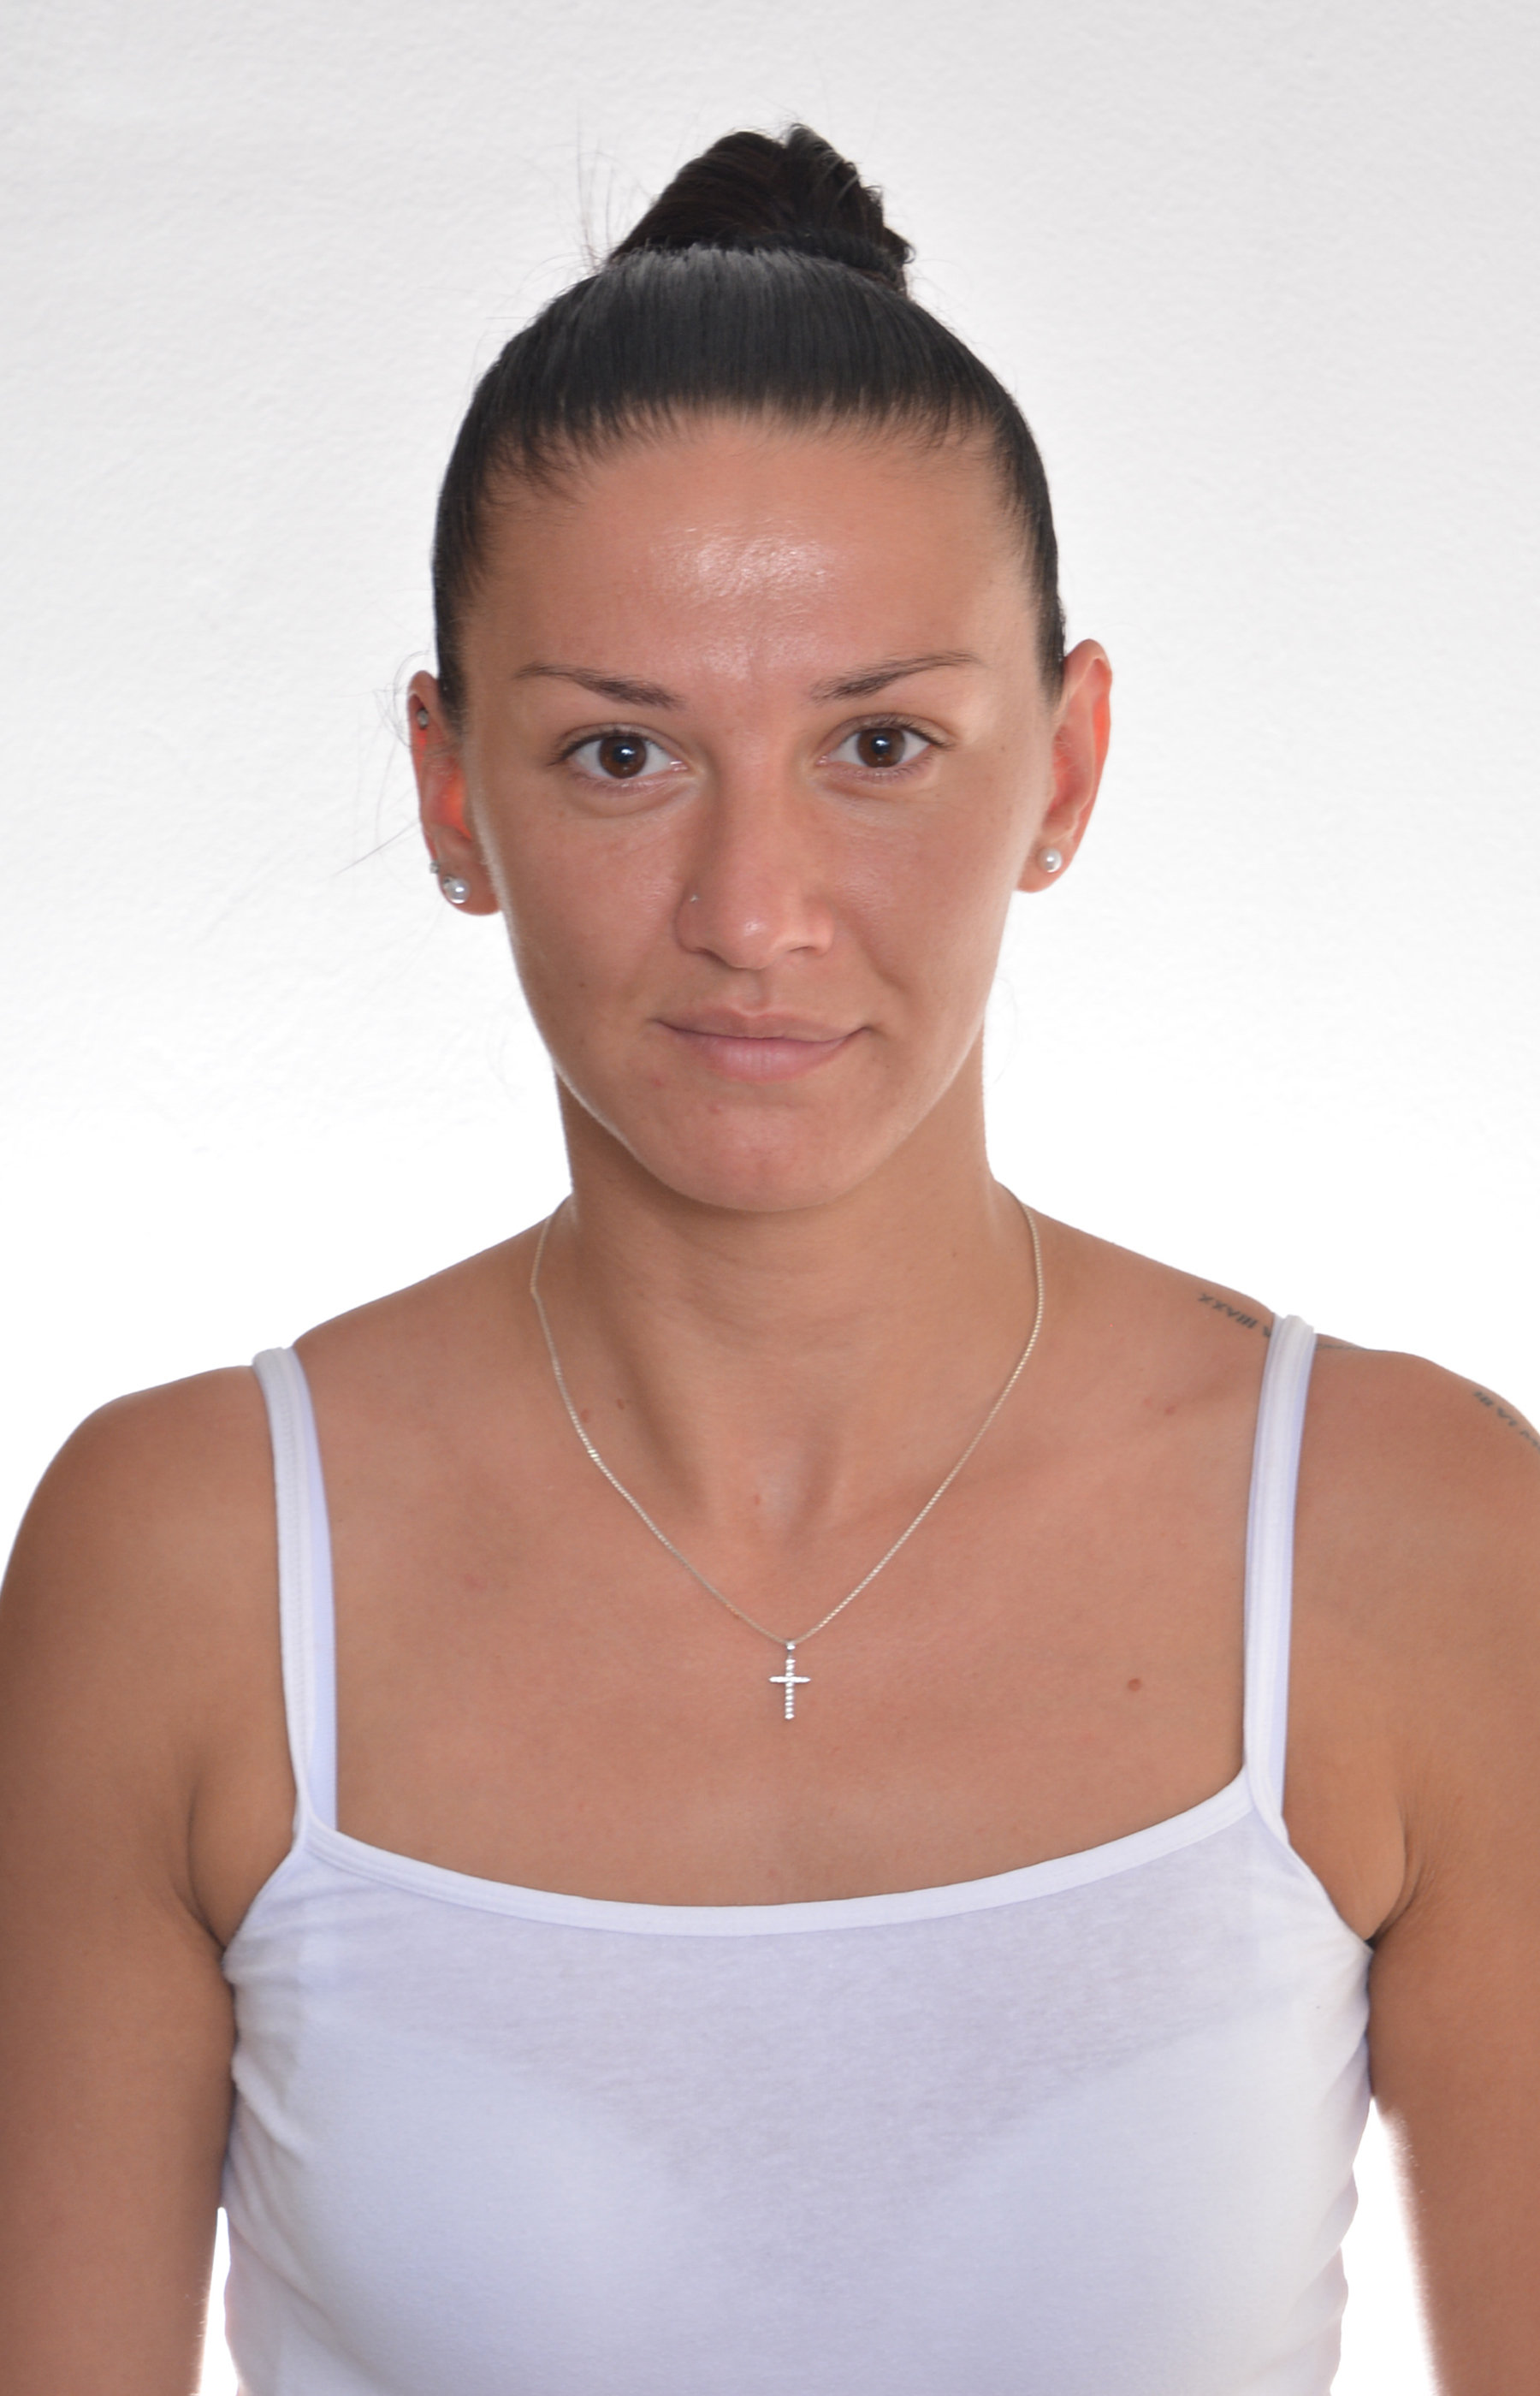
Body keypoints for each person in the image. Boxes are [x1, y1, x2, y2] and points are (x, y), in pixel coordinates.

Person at [1, 122, 1536, 2396]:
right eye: (622, 752)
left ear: (1067, 766)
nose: (754, 912)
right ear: (451, 792)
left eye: (880, 744)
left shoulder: (1412, 1540)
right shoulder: (185, 1569)